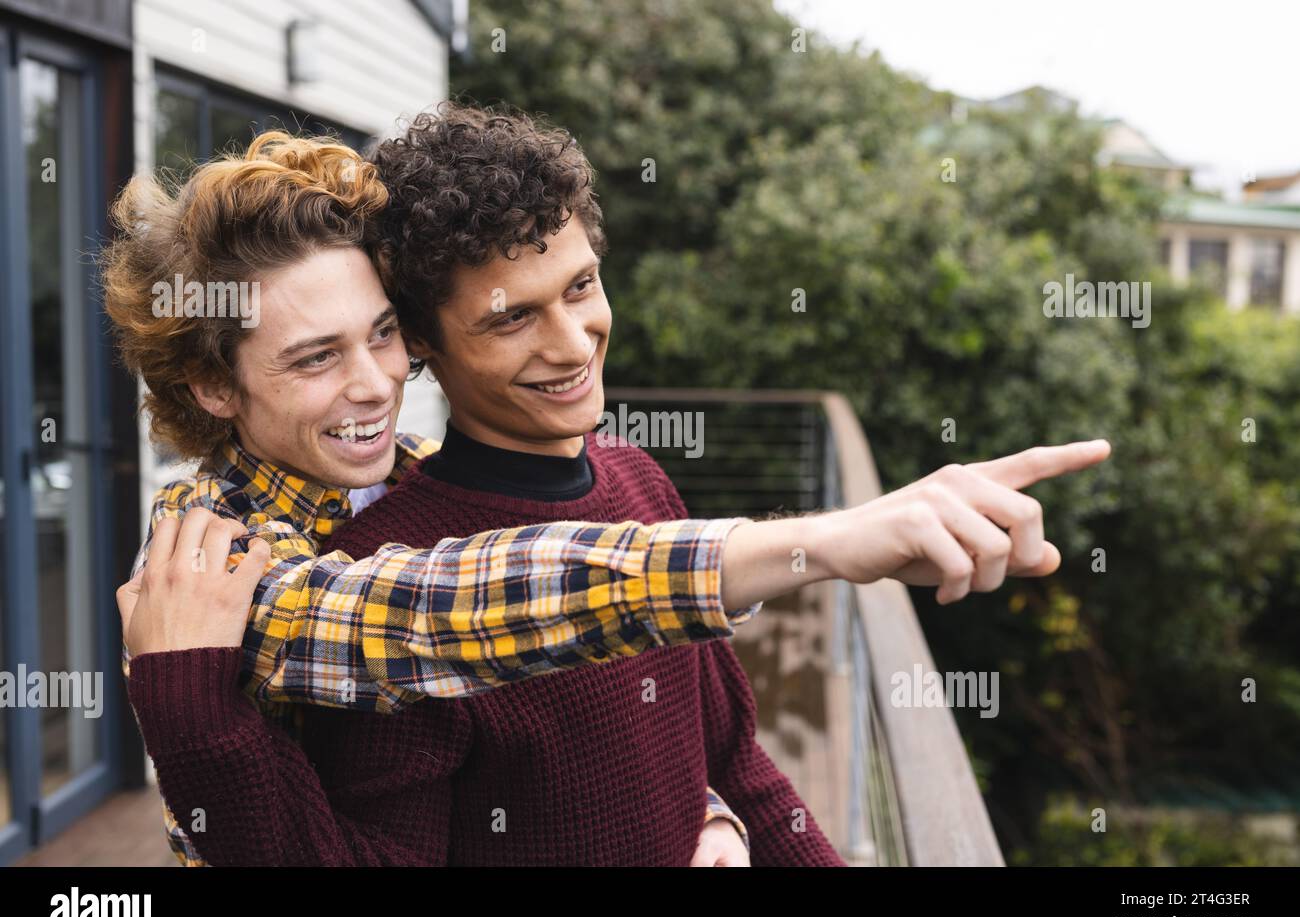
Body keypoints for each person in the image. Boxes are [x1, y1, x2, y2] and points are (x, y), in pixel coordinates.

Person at [111, 123, 1111, 866]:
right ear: (212, 384)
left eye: (378, 336)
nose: (372, 382)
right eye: (315, 357)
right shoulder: (220, 558)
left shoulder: (483, 472)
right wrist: (821, 543)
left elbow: (720, 753)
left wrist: (705, 812)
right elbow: (448, 606)